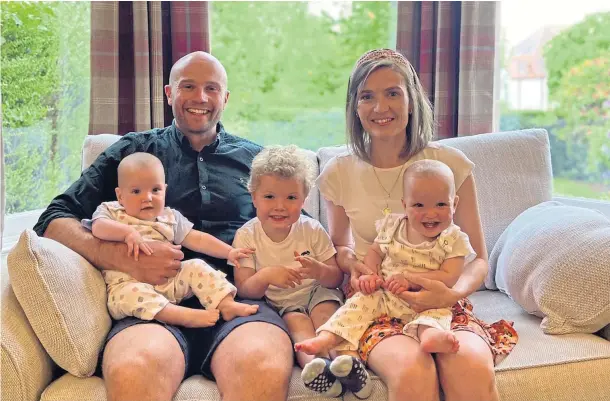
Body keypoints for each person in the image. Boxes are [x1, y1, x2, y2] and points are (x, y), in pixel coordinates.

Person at [33, 51, 294, 401]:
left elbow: (300, 227)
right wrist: (119, 257)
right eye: (189, 86)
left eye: (211, 89)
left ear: (225, 98)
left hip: (237, 299)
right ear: (169, 93)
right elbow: (52, 219)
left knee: (260, 363)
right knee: (135, 367)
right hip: (150, 302)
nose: (200, 98)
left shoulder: (257, 160)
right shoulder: (133, 154)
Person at [314, 48, 518, 401]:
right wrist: (357, 266)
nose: (381, 108)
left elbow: (478, 259)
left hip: (442, 301)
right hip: (377, 301)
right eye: (367, 96)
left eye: (393, 93)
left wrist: (452, 293)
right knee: (412, 369)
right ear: (355, 106)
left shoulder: (449, 165)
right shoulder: (339, 171)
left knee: (470, 363)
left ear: (411, 100)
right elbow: (340, 247)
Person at [296, 159, 474, 362]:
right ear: (405, 205)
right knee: (357, 305)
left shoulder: (454, 238)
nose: (430, 213)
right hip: (385, 294)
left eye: (441, 204)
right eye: (418, 205)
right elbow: (375, 252)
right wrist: (369, 275)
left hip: (427, 299)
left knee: (435, 316)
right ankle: (327, 337)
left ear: (455, 204)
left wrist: (410, 279)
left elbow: (449, 276)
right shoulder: (393, 226)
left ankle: (430, 337)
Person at [232, 145, 371, 398]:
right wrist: (265, 275)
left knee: (327, 319)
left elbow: (336, 278)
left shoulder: (311, 229)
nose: (280, 207)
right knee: (299, 327)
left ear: (304, 200)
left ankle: (351, 368)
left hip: (317, 292)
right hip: (284, 303)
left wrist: (319, 270)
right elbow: (243, 288)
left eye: (291, 198)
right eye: (270, 197)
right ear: (253, 197)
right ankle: (317, 370)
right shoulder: (247, 236)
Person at [84, 152, 259, 326]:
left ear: (165, 190)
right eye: (136, 191)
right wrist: (127, 233)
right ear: (120, 195)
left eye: (155, 190)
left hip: (171, 281)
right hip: (128, 284)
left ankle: (226, 304)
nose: (147, 198)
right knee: (130, 294)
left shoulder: (170, 217)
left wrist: (229, 252)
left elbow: (197, 239)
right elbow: (98, 227)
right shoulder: (111, 211)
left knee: (196, 266)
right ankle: (179, 315)